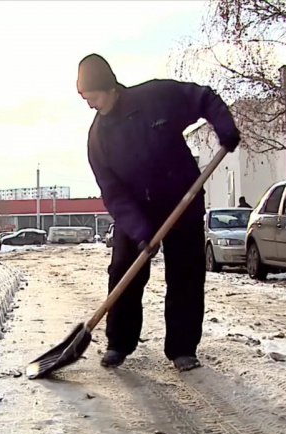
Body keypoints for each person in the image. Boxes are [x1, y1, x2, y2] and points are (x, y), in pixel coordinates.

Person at [77, 54, 241, 372]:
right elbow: (113, 192)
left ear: (108, 86)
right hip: (137, 212)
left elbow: (202, 98)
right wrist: (140, 232)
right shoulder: (98, 139)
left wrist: (224, 127)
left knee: (186, 275)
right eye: (84, 98)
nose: (90, 104)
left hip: (182, 199)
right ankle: (119, 344)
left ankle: (183, 348)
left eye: (92, 96)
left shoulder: (155, 98)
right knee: (124, 271)